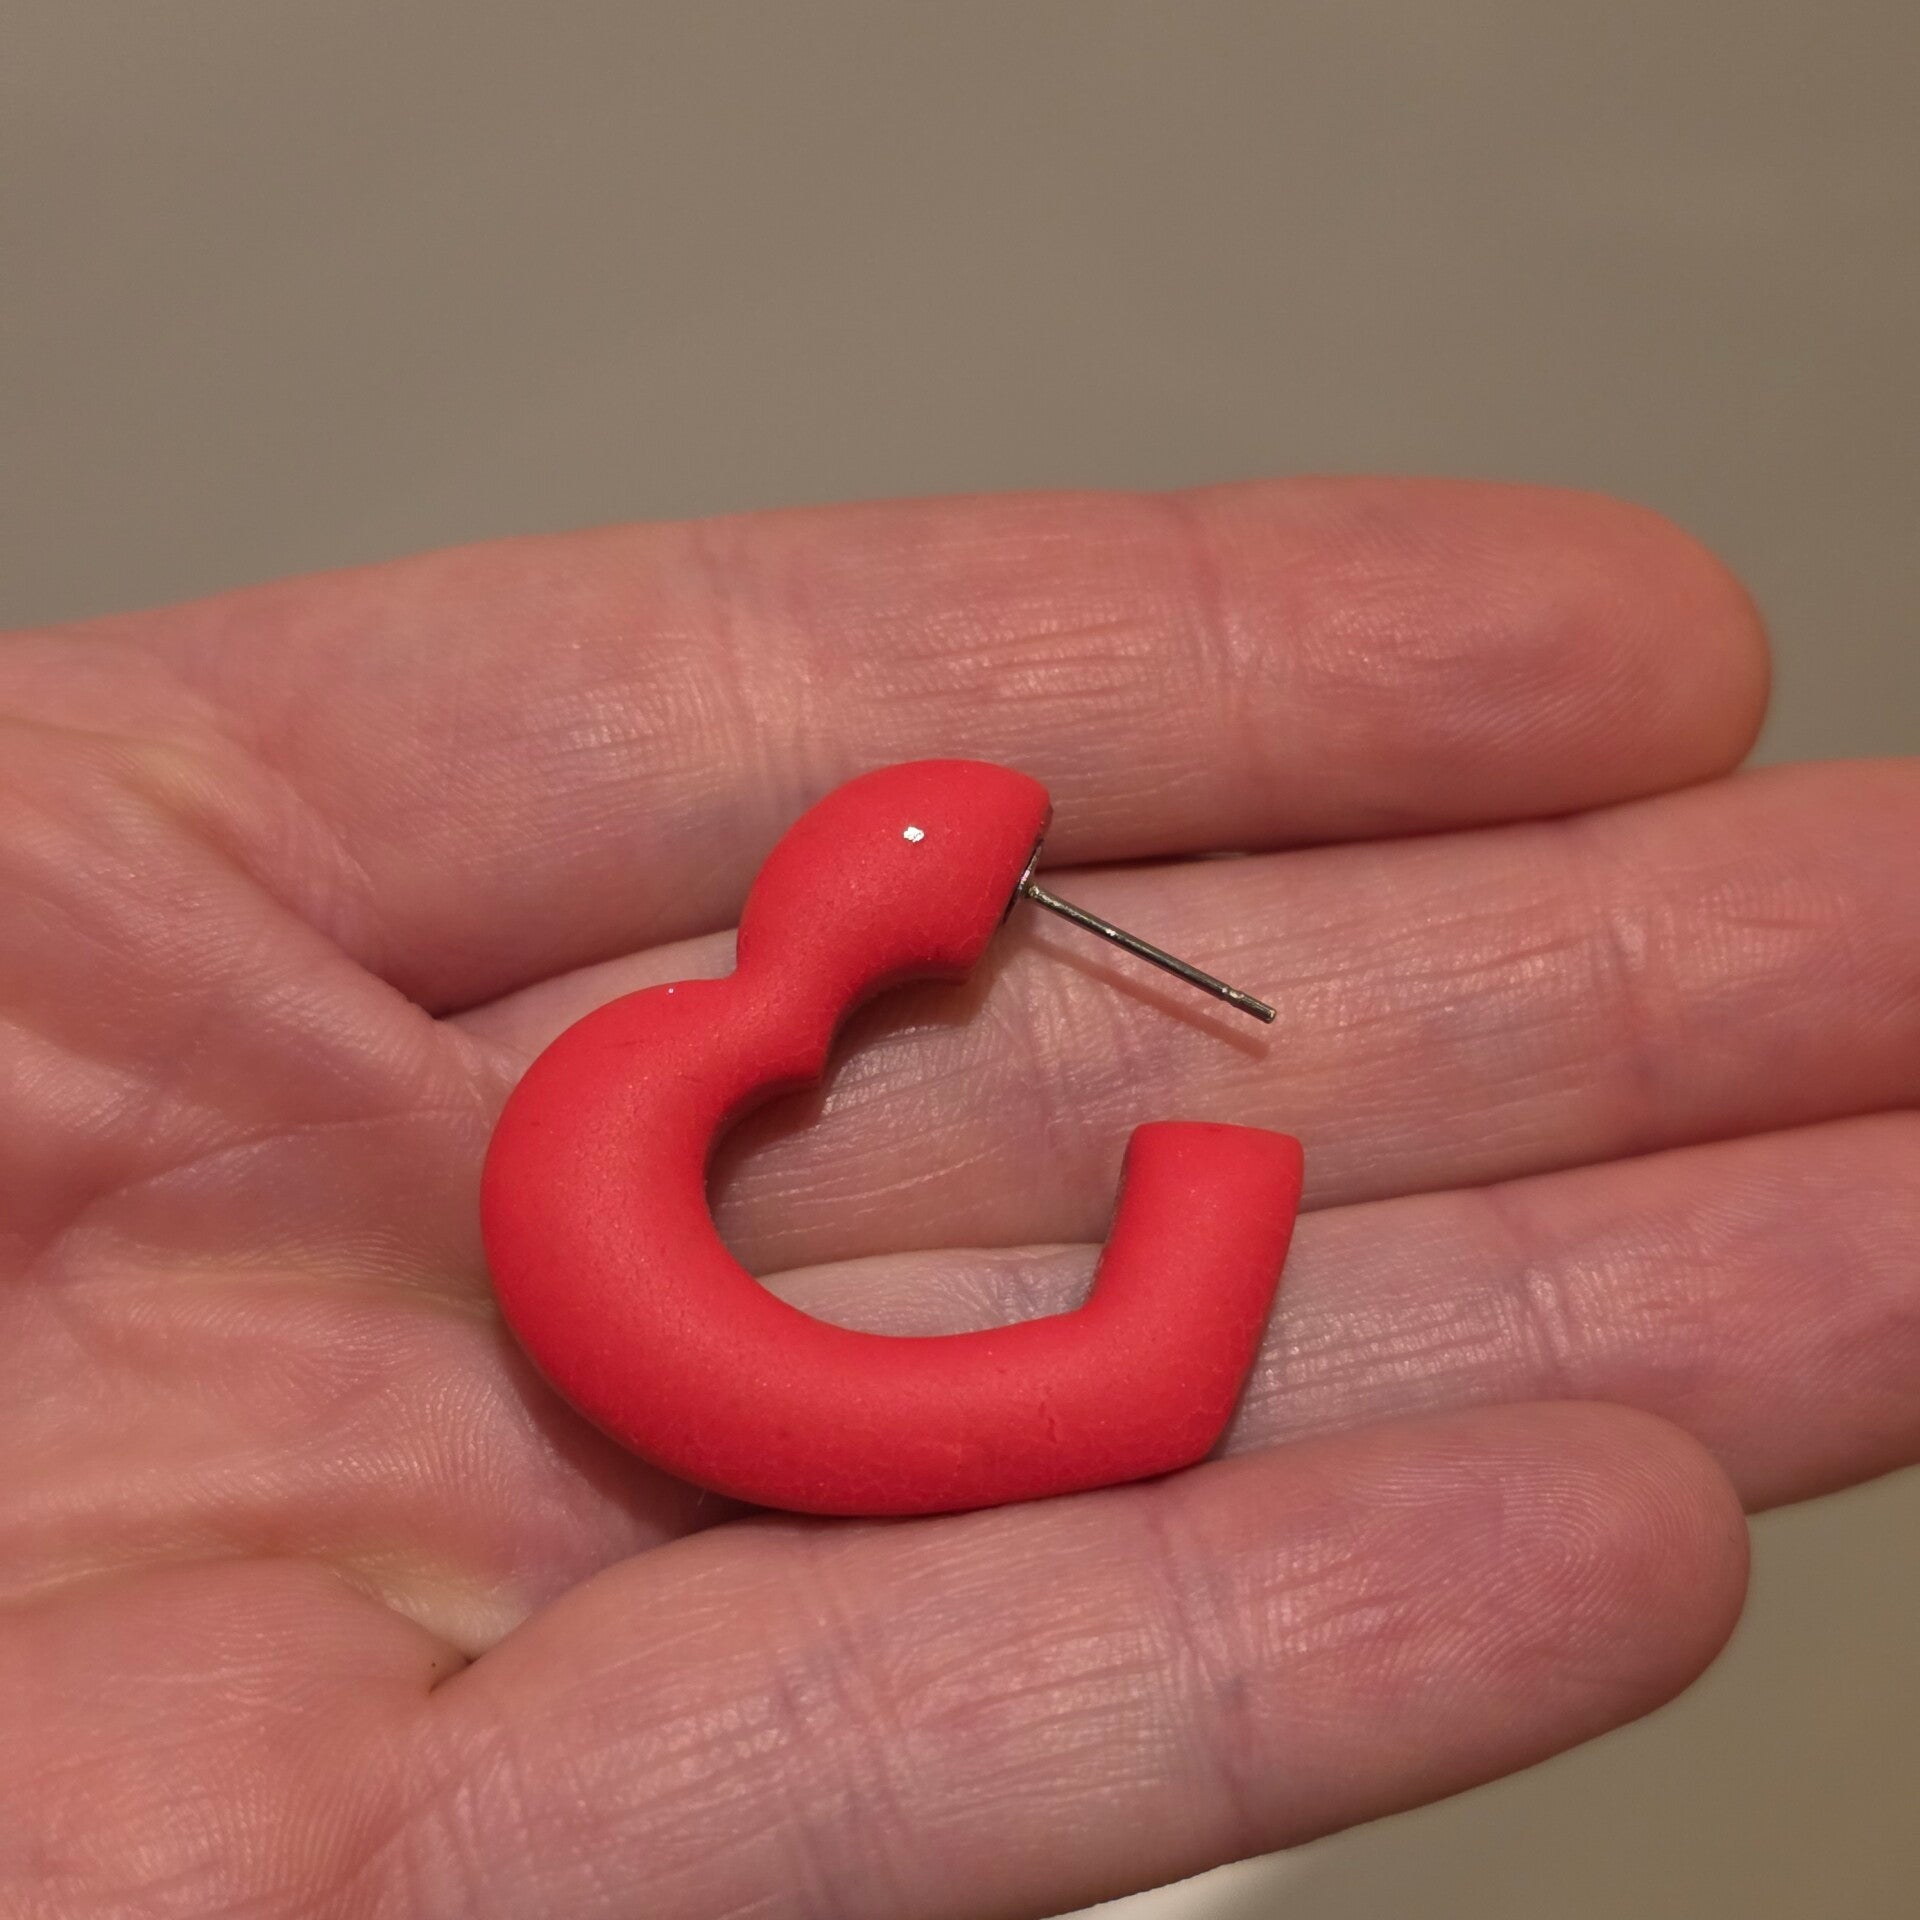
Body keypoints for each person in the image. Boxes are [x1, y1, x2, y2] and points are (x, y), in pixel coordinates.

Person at [5, 477, 1913, 1918]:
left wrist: (1188, 1242)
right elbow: (1132, 1385)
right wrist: (1188, 1233)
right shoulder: (647, 1077)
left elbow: (1143, 1389)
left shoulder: (661, 1061)